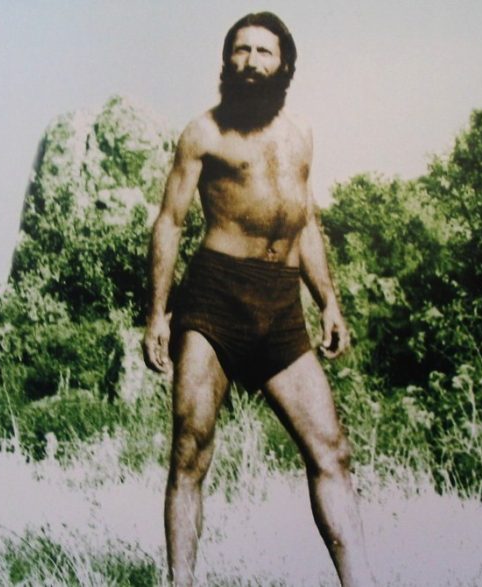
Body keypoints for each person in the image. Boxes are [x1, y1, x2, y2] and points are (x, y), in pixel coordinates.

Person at [143, 12, 370, 586]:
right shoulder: (204, 133)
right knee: (190, 452)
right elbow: (170, 221)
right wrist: (157, 314)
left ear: (284, 64)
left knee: (332, 452)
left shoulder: (300, 134)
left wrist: (328, 300)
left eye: (264, 52)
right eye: (240, 50)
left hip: (281, 305)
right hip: (214, 300)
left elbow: (306, 221)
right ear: (227, 61)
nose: (250, 62)